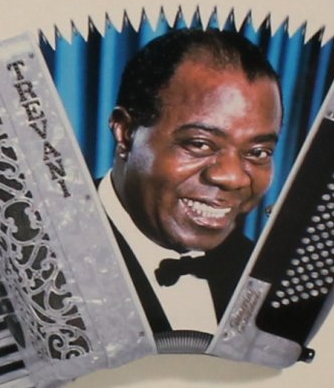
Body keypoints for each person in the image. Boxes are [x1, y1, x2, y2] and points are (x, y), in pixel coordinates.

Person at [100, 29, 283, 335]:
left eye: (258, 152)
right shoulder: (42, 253)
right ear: (126, 132)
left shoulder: (258, 273)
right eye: (199, 144)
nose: (233, 178)